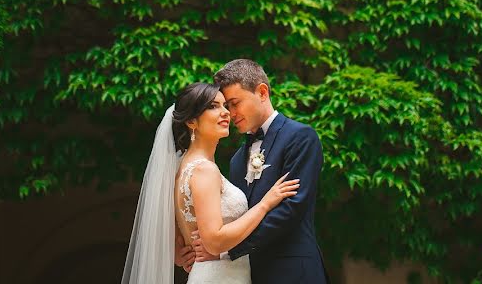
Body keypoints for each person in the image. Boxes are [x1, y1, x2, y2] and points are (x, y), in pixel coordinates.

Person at [121, 82, 300, 284]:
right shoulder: (204, 170)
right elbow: (214, 240)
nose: (226, 113)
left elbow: (174, 235)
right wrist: (265, 204)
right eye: (213, 106)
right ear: (191, 122)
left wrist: (180, 254)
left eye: (225, 105)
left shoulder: (181, 168)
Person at [193, 59, 330, 283]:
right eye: (227, 106)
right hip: (249, 275)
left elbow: (290, 211)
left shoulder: (300, 137)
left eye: (235, 103)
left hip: (294, 272)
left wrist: (226, 251)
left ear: (262, 92)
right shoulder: (237, 160)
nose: (231, 113)